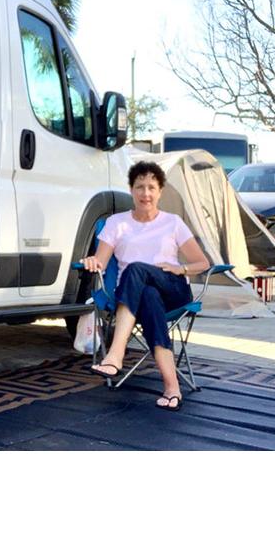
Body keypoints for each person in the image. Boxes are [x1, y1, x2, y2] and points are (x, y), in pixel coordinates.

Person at [80, 161, 210, 411]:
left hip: (172, 288)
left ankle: (116, 353)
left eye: (151, 187)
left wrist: (181, 269)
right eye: (140, 187)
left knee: (136, 268)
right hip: (137, 295)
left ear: (160, 191)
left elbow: (201, 262)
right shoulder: (117, 223)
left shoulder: (173, 222)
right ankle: (172, 388)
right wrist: (90, 261)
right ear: (131, 190)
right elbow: (101, 261)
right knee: (148, 296)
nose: (145, 193)